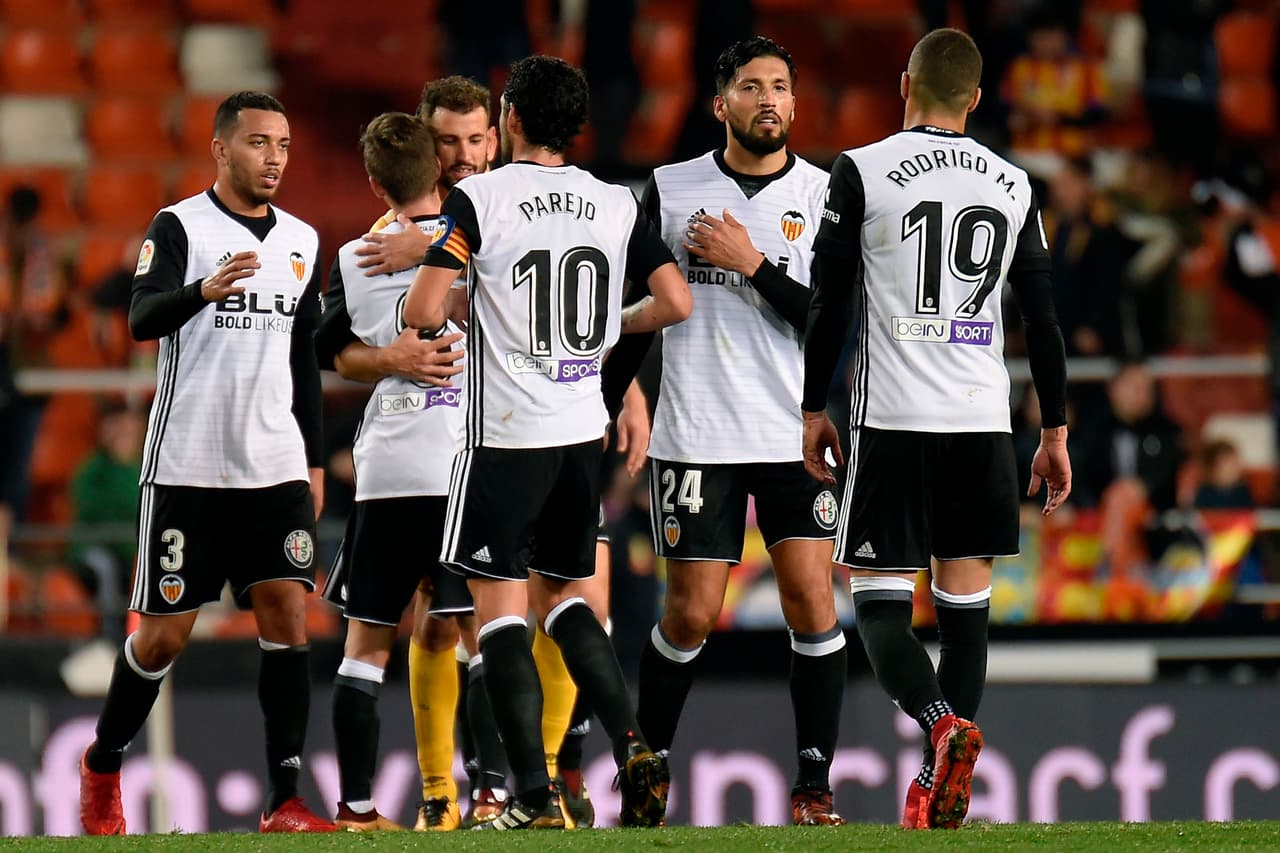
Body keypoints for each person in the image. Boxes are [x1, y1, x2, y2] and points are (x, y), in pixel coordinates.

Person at [402, 54, 691, 830]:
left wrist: (459, 294)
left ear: (512, 122)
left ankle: (531, 794)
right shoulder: (613, 201)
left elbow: (424, 310)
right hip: (577, 440)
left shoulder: (479, 198)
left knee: (499, 617)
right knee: (566, 600)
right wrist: (605, 331)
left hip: (504, 440)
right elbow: (675, 300)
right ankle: (632, 742)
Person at [801, 29, 1071, 830]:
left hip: (893, 421)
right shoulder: (1014, 182)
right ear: (977, 98)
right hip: (983, 421)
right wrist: (1053, 429)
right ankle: (935, 788)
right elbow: (1044, 319)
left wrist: (815, 407)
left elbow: (829, 300)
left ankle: (939, 725)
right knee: (967, 610)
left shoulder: (863, 168)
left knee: (881, 605)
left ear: (904, 84)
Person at [78, 91, 335, 835]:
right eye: (259, 143)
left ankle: (283, 798)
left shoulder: (302, 240)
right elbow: (139, 317)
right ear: (222, 149)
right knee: (164, 635)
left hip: (274, 461)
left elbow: (303, 361)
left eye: (283, 143)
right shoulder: (181, 225)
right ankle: (101, 762)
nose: (275, 157)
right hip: (189, 463)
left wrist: (313, 463)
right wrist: (202, 291)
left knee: (289, 610)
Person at [631, 36, 849, 826]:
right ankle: (646, 766)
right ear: (720, 103)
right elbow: (634, 306)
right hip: (696, 431)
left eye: (780, 87)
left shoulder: (827, 193)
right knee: (690, 612)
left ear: (795, 104)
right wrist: (619, 395)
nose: (768, 100)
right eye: (751, 87)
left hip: (794, 429)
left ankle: (814, 786)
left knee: (812, 601)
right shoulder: (667, 187)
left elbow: (835, 321)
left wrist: (751, 262)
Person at [314, 110, 478, 832]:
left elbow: (323, 348)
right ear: (439, 168)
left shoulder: (354, 257)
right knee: (482, 633)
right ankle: (495, 793)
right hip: (463, 459)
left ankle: (354, 808)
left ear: (376, 180)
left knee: (364, 645)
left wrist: (383, 357)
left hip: (387, 466)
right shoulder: (484, 238)